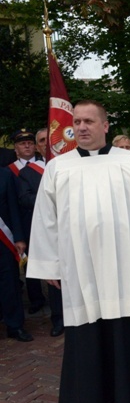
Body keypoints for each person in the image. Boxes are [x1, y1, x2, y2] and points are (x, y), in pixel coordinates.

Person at [26, 100, 130, 403]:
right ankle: (90, 397)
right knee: (89, 324)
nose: (82, 127)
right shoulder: (59, 167)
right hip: (82, 266)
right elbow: (46, 220)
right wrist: (49, 265)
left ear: (105, 125)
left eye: (89, 121)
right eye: (77, 122)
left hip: (129, 262)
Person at [15, 132, 64, 337]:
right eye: (43, 141)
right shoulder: (28, 172)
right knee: (54, 275)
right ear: (37, 146)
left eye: (52, 139)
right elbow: (25, 199)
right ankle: (59, 318)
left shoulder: (72, 164)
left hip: (74, 228)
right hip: (47, 229)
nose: (48, 144)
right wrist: (54, 197)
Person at [8, 130, 47, 315]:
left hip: (46, 219)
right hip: (25, 221)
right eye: (22, 143)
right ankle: (36, 298)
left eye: (30, 143)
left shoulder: (45, 165)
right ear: (16, 148)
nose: (26, 146)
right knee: (30, 263)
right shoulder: (10, 170)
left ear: (36, 146)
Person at [0, 166, 33, 342]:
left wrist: (19, 238)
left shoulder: (5, 174)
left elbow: (14, 207)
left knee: (9, 283)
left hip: (4, 241)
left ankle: (15, 326)